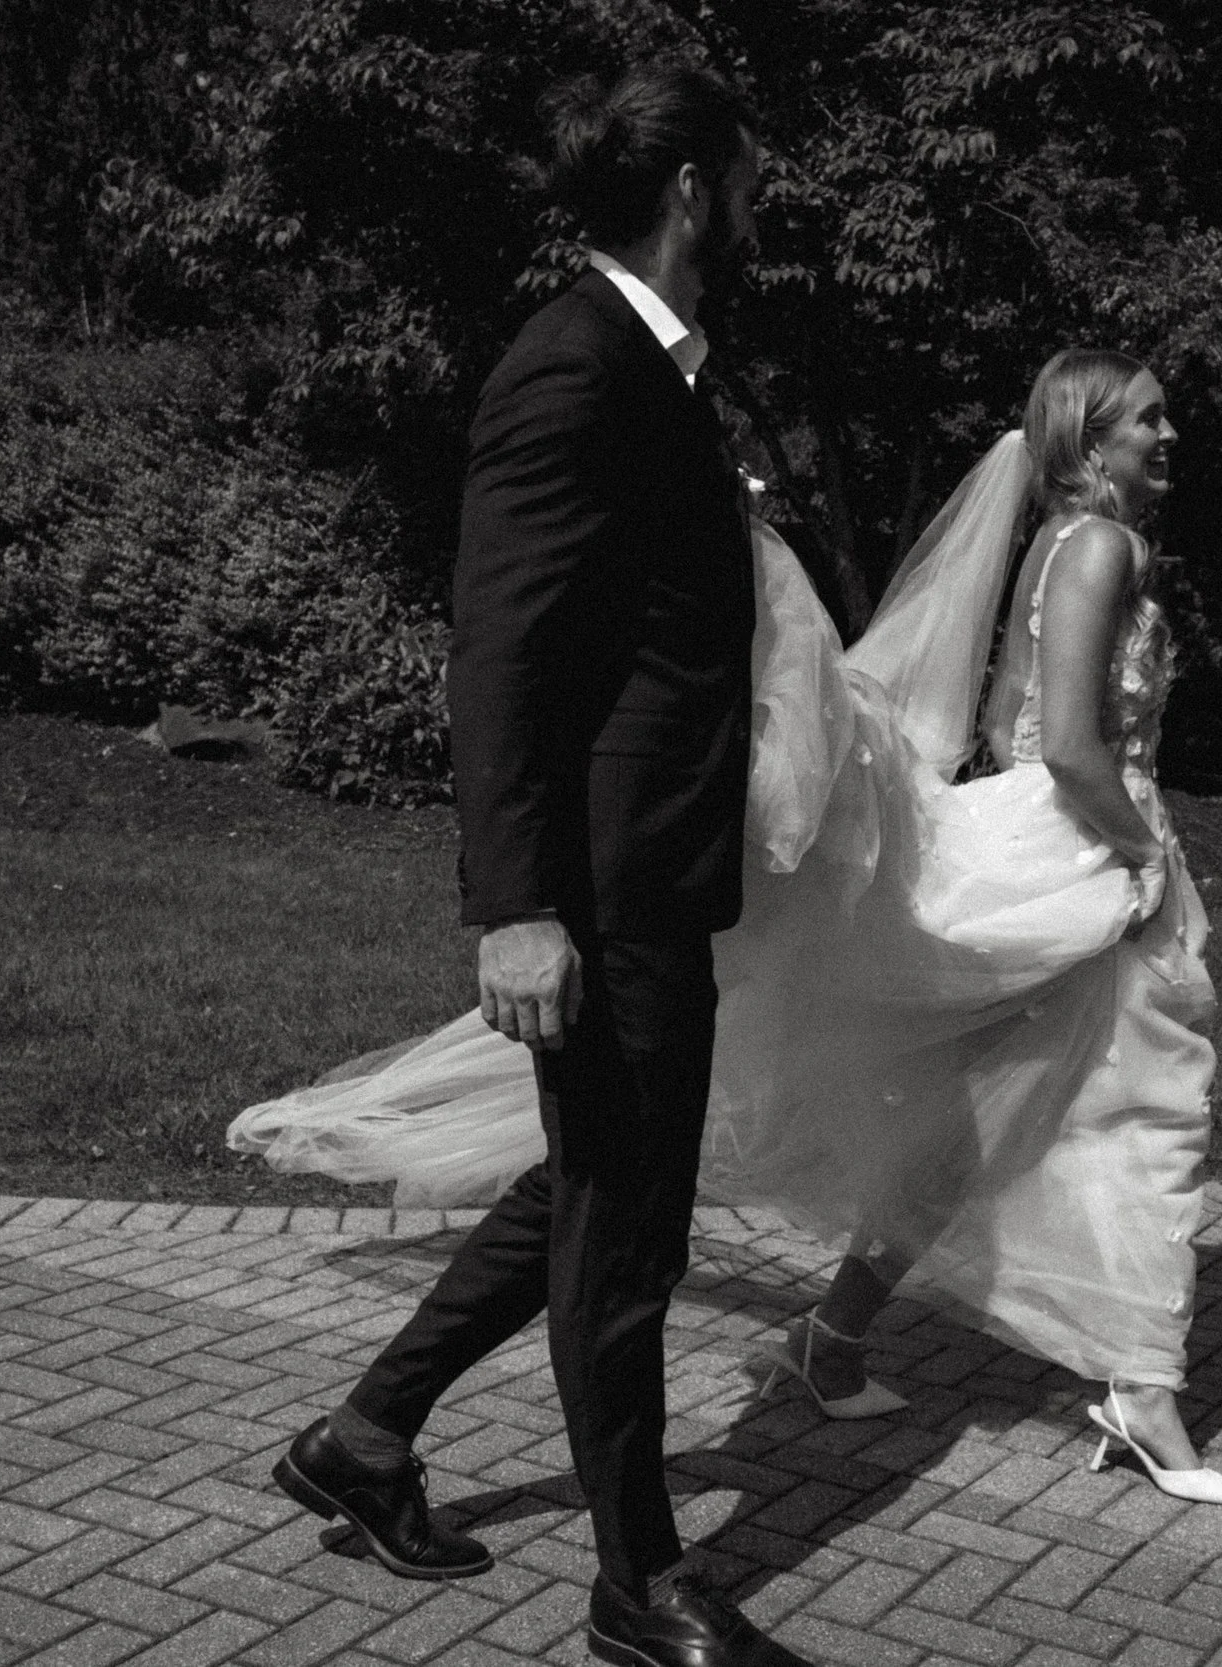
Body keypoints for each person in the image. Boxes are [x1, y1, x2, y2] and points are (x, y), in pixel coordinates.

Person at [237, 352, 1222, 1514]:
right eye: (1148, 417)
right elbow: (1066, 746)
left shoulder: (1056, 547)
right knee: (1118, 1111)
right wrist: (1139, 849)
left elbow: (1009, 720)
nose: (1170, 434)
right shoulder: (1094, 550)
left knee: (981, 1121)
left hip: (904, 859)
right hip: (1037, 856)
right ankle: (578, 1528)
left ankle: (805, 1369)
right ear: (1083, 438)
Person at [261, 61, 815, 1667]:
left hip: (654, 868)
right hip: (601, 883)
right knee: (625, 1228)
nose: (760, 201)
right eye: (751, 174)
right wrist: (513, 905)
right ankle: (640, 1582)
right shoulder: (573, 364)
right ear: (697, 186)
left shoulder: (658, 372)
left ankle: (366, 1437)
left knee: (594, 1185)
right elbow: (498, 653)